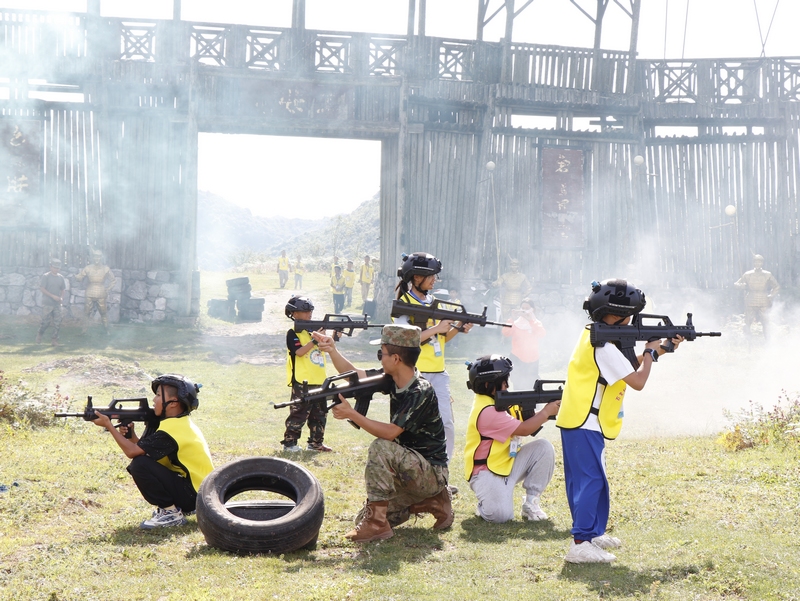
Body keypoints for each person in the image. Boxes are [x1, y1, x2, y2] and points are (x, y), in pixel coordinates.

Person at [556, 279, 683, 564]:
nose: (632, 321)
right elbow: (637, 380)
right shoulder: (604, 346)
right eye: (631, 316)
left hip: (583, 420)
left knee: (592, 481)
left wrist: (661, 349)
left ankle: (592, 533)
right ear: (619, 316)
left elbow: (624, 367)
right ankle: (581, 543)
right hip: (584, 422)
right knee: (590, 482)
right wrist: (651, 352)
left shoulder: (597, 336)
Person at [316, 323, 452, 542]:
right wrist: (332, 350)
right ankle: (431, 501)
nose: (380, 358)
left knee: (381, 447)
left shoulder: (420, 390)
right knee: (361, 517)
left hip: (431, 472)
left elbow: (390, 433)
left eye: (382, 353)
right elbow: (357, 376)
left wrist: (352, 414)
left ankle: (378, 524)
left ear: (396, 358)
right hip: (409, 470)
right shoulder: (393, 378)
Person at [90, 374, 213, 529]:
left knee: (139, 465)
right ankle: (173, 509)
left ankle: (171, 514)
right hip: (199, 493)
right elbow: (147, 449)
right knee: (143, 461)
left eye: (159, 395)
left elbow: (133, 452)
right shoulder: (178, 424)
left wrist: (108, 425)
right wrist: (132, 436)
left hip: (193, 496)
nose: (154, 400)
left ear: (174, 403)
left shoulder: (171, 430)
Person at [394, 252, 472, 466]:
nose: (435, 280)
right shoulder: (404, 304)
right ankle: (412, 469)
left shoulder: (435, 303)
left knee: (446, 424)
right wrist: (437, 327)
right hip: (414, 374)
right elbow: (403, 339)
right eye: (431, 276)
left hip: (439, 373)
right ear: (416, 277)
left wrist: (458, 328)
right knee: (412, 425)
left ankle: (441, 472)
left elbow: (442, 338)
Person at [464, 355, 559, 523]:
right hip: (486, 472)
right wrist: (546, 413)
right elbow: (524, 429)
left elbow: (525, 422)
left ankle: (531, 503)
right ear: (488, 385)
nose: (507, 385)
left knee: (544, 448)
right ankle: (486, 504)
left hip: (507, 463)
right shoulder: (487, 411)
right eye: (503, 381)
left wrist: (544, 411)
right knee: (500, 517)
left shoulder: (499, 402)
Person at [281, 296, 332, 452]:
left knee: (320, 414)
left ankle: (316, 443)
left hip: (320, 379)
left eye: (310, 310)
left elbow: (327, 347)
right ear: (294, 314)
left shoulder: (314, 331)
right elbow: (300, 352)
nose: (309, 313)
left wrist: (333, 335)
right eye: (305, 311)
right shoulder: (292, 333)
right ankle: (290, 444)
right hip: (302, 381)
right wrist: (315, 340)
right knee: (299, 413)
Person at [502, 299, 546, 388]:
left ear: (532, 309)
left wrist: (531, 321)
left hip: (532, 359)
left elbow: (542, 334)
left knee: (532, 384)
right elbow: (506, 333)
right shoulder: (515, 323)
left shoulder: (536, 323)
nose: (524, 310)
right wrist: (511, 319)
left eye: (527, 308)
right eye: (522, 308)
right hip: (517, 358)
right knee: (518, 384)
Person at [734, 254, 780, 338]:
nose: (757, 263)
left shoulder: (767, 274)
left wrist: (771, 295)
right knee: (747, 321)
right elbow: (736, 284)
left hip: (763, 300)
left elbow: (776, 286)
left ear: (762, 263)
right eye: (755, 261)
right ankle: (748, 339)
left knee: (765, 322)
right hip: (751, 299)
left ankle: (767, 340)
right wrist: (741, 286)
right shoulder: (748, 274)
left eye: (759, 262)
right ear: (753, 263)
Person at [76, 249, 116, 332]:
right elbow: (80, 277)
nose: (96, 259)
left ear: (101, 257)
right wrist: (77, 278)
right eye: (95, 256)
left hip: (101, 291)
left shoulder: (106, 269)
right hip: (90, 291)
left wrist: (108, 289)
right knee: (86, 312)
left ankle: (106, 329)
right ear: (92, 258)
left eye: (98, 257)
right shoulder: (88, 268)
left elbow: (113, 280)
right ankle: (84, 330)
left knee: (103, 312)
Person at [37, 258, 66, 345]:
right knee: (45, 322)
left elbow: (63, 289)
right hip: (47, 303)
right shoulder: (45, 276)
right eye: (55, 267)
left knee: (57, 322)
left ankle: (54, 339)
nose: (56, 269)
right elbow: (42, 288)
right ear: (50, 267)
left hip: (57, 304)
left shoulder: (61, 278)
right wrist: (52, 296)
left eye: (58, 268)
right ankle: (40, 334)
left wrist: (61, 298)